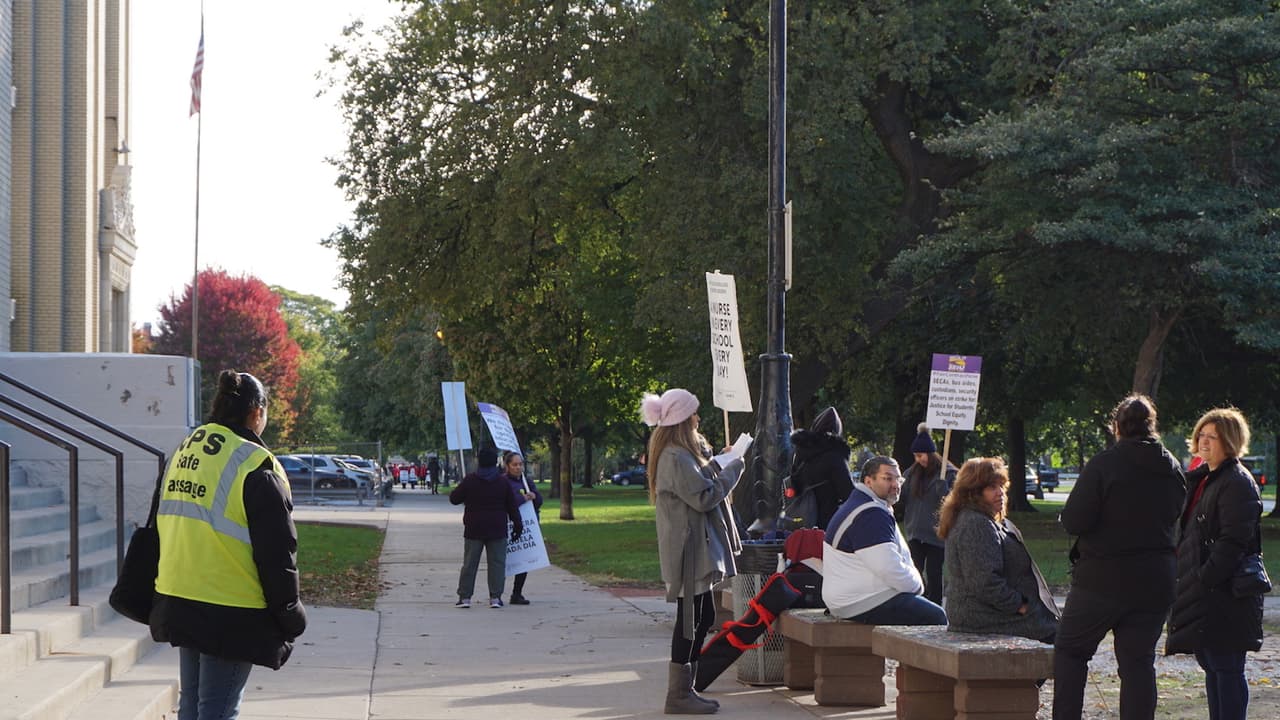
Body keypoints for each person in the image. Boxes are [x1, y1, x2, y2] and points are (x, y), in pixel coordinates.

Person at [150, 370, 307, 720]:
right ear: (257, 412)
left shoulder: (185, 450)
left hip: (179, 595)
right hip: (229, 608)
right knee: (219, 711)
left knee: (192, 705)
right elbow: (277, 552)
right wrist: (289, 613)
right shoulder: (254, 463)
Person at [1053, 395, 1186, 720]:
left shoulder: (1104, 465)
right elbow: (1176, 513)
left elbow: (1074, 520)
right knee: (1138, 662)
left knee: (1071, 651)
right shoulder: (1171, 467)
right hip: (1155, 580)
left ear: (1117, 427)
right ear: (1152, 426)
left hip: (1102, 579)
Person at [642, 388, 744, 715]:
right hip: (687, 549)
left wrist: (720, 461)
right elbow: (702, 496)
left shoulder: (680, 454)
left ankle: (688, 688)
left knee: (703, 617)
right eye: (694, 414)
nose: (698, 419)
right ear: (683, 420)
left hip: (694, 545)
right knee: (691, 620)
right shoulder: (674, 456)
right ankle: (680, 694)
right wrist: (733, 469)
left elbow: (698, 480)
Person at [1166, 407, 1264, 720]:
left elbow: (1233, 541)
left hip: (1226, 595)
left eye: (1213, 437)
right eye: (1202, 435)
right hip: (1205, 593)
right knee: (1212, 665)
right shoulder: (1205, 478)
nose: (1204, 442)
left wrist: (1204, 577)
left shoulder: (1237, 482)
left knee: (1226, 667)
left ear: (1231, 441)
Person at [937, 457, 1058, 643]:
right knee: (1063, 640)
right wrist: (1021, 605)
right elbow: (985, 583)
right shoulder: (976, 524)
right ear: (973, 493)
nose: (1000, 493)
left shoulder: (981, 519)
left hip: (988, 612)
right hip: (984, 616)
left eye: (1002, 486)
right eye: (992, 487)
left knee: (1061, 631)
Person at [822, 456, 947, 625]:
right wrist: (917, 587)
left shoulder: (862, 505)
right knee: (936, 617)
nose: (896, 485)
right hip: (861, 601)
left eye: (898, 479)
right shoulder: (869, 514)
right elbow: (889, 568)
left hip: (851, 599)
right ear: (868, 481)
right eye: (888, 478)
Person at [449, 447, 523, 609]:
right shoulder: (502, 482)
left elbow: (454, 499)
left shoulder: (470, 480)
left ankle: (465, 597)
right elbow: (512, 506)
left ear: (479, 462)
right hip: (497, 527)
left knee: (469, 563)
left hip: (474, 527)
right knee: (497, 563)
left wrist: (463, 489)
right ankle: (495, 597)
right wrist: (518, 525)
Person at [895, 423, 955, 605]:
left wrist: (944, 490)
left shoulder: (948, 473)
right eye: (915, 456)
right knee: (915, 570)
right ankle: (917, 603)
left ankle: (936, 606)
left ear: (930, 454)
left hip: (937, 533)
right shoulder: (912, 474)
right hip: (916, 532)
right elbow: (901, 496)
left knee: (935, 572)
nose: (918, 459)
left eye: (920, 455)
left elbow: (954, 502)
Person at [787, 406, 854, 530]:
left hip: (800, 521)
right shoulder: (835, 458)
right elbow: (848, 494)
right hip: (828, 524)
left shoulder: (800, 455)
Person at [502, 450, 543, 605]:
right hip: (508, 525)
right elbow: (505, 502)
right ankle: (496, 593)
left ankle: (517, 593)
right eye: (515, 465)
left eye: (520, 464)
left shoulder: (526, 481)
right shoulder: (503, 481)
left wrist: (534, 496)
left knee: (523, 560)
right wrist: (522, 498)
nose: (518, 468)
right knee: (504, 561)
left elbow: (538, 501)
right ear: (507, 466)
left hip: (527, 526)